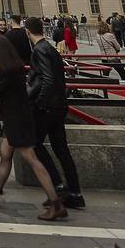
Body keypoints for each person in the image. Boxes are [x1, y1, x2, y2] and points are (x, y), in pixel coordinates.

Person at [0, 30, 66, 220]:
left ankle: (56, 203)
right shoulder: (15, 67)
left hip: (17, 120)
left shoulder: (6, 72)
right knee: (5, 155)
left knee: (32, 159)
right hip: (16, 118)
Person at [23, 17, 85, 211]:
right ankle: (75, 193)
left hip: (48, 107)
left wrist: (39, 102)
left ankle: (58, 186)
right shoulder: (50, 48)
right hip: (60, 105)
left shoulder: (40, 50)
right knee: (61, 149)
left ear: (27, 32)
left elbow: (47, 79)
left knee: (35, 143)